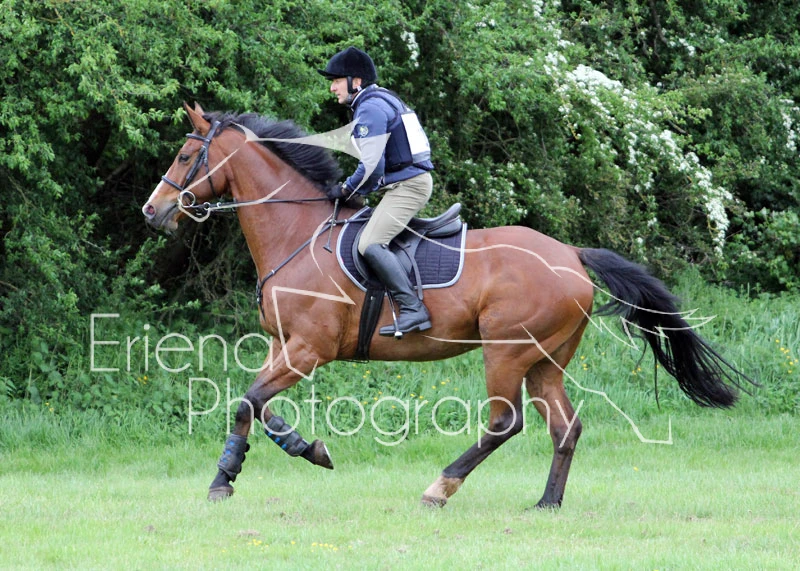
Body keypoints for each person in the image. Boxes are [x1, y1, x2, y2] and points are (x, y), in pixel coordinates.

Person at [318, 46, 435, 336]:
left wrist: (346, 188)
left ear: (356, 81)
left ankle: (413, 309)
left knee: (369, 243)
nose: (332, 87)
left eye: (336, 80)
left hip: (408, 187)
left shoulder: (370, 108)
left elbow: (372, 167)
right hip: (403, 183)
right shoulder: (382, 98)